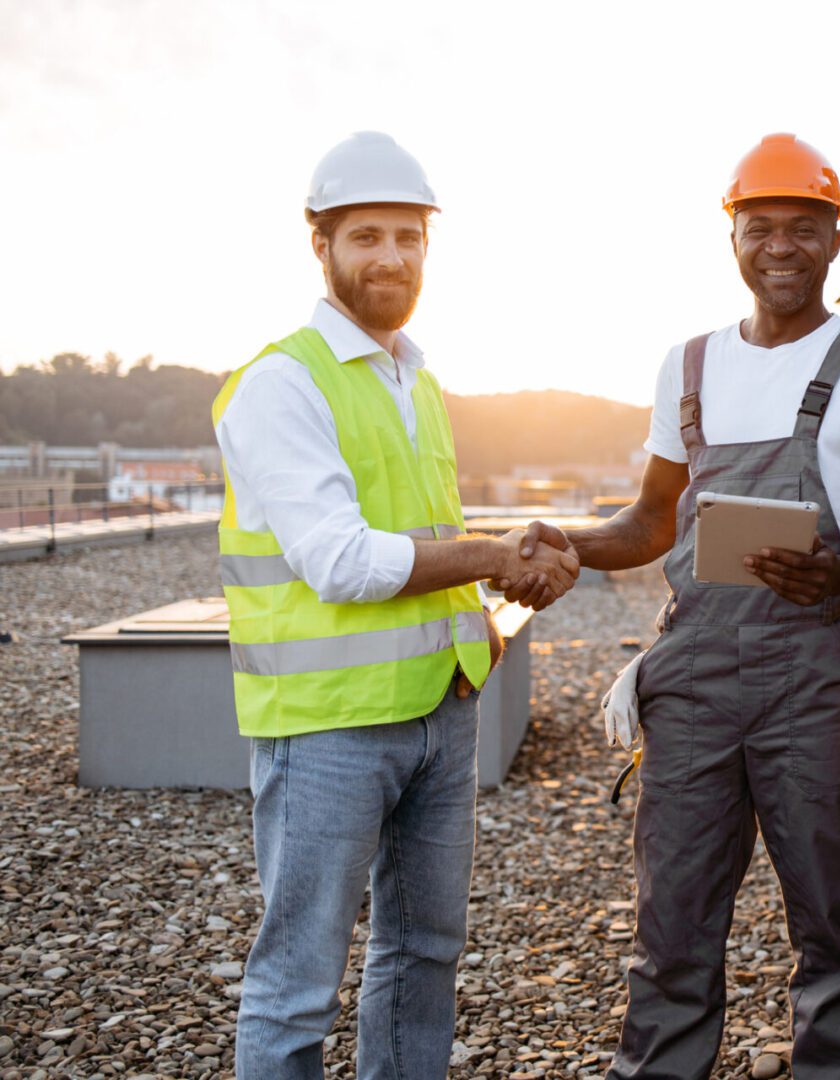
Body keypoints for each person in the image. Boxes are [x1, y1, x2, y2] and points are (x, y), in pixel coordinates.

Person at [521, 132, 840, 1079]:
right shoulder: (690, 367)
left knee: (832, 925)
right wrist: (569, 545)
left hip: (816, 672)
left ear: (836, 240)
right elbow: (648, 523)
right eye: (761, 227)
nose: (782, 246)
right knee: (670, 927)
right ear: (734, 238)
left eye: (804, 227)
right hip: (697, 676)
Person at [213, 130, 577, 1078]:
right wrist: (504, 555)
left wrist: (485, 621)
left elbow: (428, 539)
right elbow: (341, 561)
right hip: (328, 728)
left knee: (423, 955)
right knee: (297, 981)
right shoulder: (281, 383)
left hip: (439, 712)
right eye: (366, 236)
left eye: (408, 238)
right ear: (320, 244)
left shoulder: (416, 379)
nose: (390, 258)